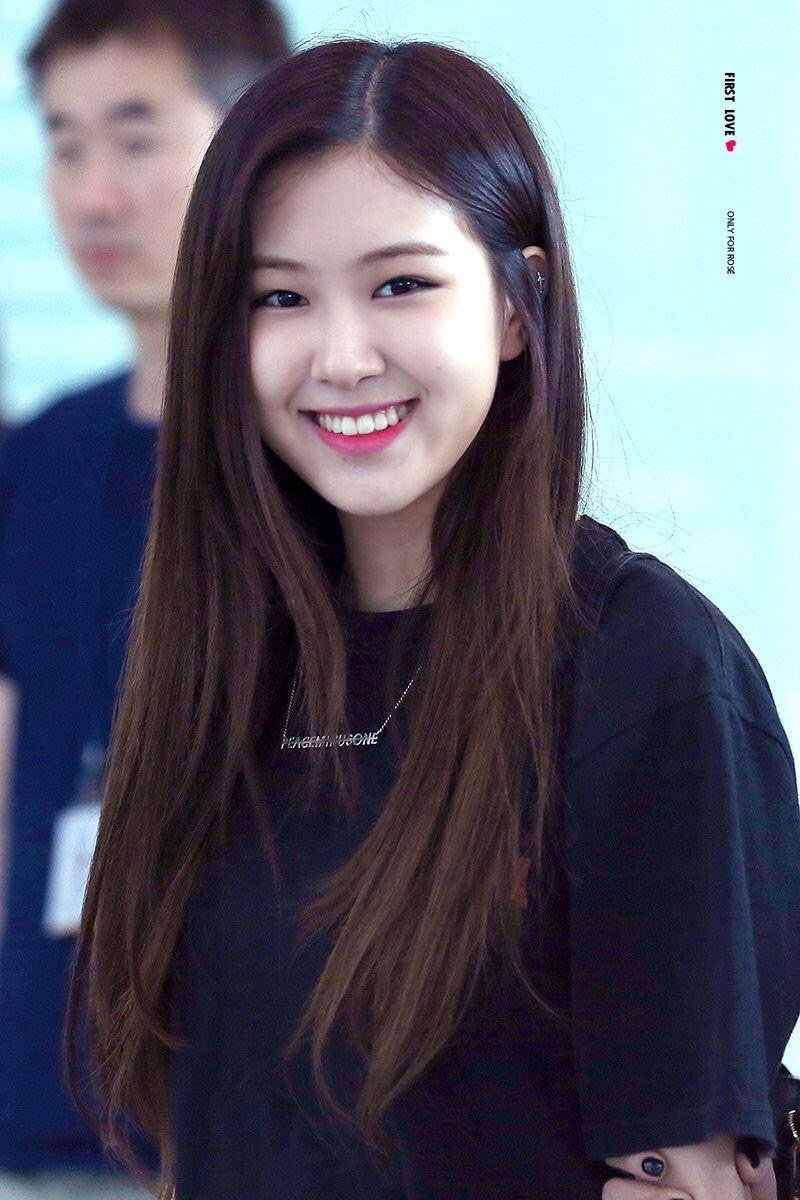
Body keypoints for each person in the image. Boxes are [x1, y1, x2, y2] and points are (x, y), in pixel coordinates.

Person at [62, 36, 800, 1200]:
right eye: (280, 297)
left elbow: (687, 1175)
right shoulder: (225, 660)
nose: (342, 356)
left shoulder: (639, 664)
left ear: (515, 303)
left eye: (400, 284)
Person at [0, 1, 290, 1195]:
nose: (94, 194)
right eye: (64, 144)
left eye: (134, 136)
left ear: (249, 144)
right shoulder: (39, 455)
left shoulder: (321, 451)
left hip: (252, 1132)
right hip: (37, 1115)